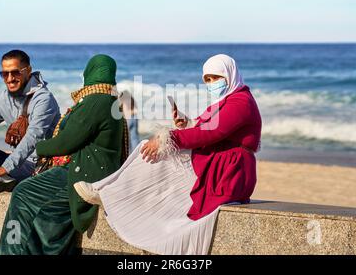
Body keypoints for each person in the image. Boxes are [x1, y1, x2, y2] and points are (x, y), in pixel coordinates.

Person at [74, 54, 262, 254]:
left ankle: (109, 192)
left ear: (229, 74)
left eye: (215, 78)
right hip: (218, 163)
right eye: (207, 80)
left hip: (230, 172)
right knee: (150, 149)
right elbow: (205, 127)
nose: (211, 84)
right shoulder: (226, 101)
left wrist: (168, 138)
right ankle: (111, 192)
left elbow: (211, 133)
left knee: (155, 152)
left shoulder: (241, 102)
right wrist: (186, 123)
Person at [0, 54, 129, 255]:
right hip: (92, 171)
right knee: (45, 211)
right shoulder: (111, 100)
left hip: (81, 173)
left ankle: (9, 251)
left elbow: (66, 142)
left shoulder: (96, 101)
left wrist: (40, 149)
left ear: (90, 72)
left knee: (22, 192)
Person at [0, 49, 60, 255]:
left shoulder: (44, 100)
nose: (9, 78)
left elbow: (32, 140)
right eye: (4, 74)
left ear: (28, 71)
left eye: (15, 72)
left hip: (39, 165)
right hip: (18, 163)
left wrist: (4, 169)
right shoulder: (4, 98)